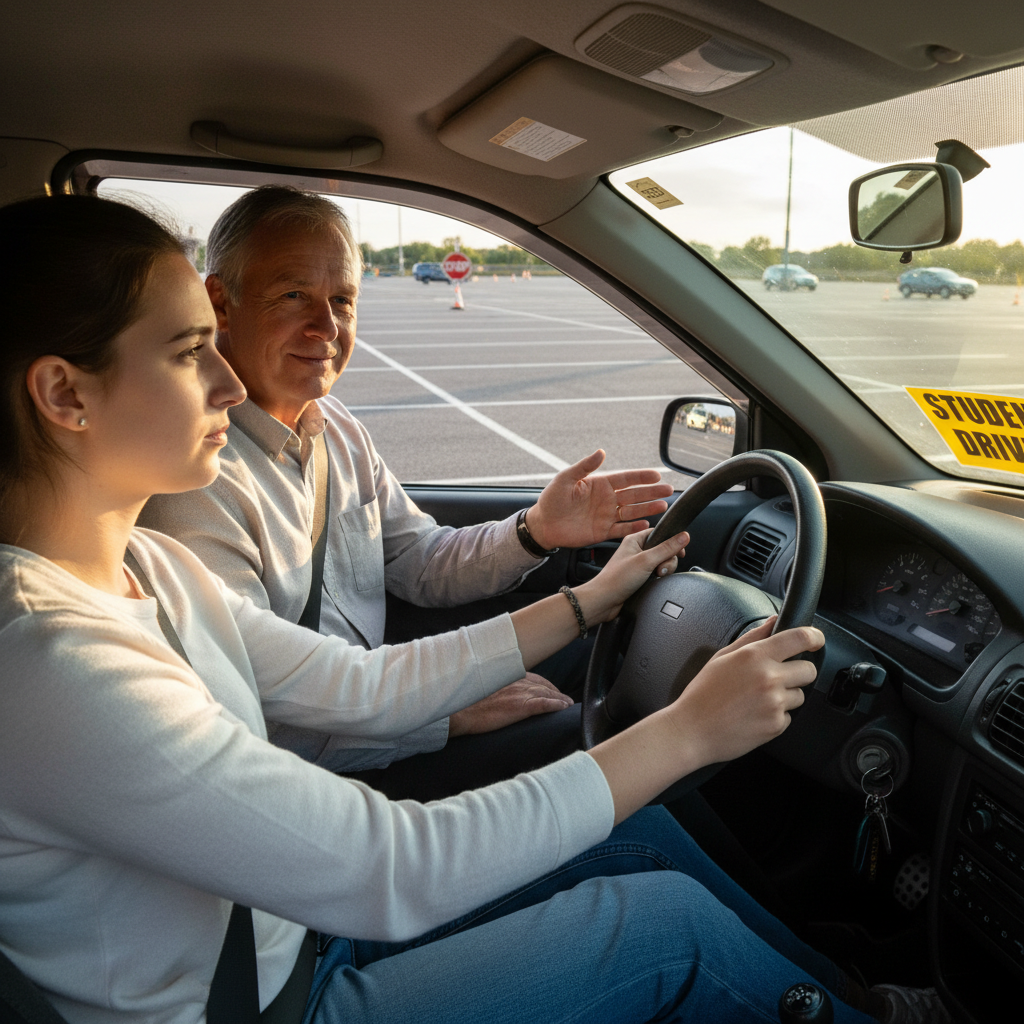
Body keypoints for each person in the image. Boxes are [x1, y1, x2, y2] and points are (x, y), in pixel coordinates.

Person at [0, 194, 950, 1024]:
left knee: (638, 838)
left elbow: (363, 685)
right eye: (188, 351)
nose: (227, 383)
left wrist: (588, 597)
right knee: (666, 931)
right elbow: (390, 868)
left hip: (289, 933)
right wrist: (690, 731)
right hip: (262, 999)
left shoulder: (152, 568)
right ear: (64, 395)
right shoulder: (45, 661)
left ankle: (840, 993)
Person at [139, 185, 675, 791]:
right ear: (223, 303)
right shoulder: (193, 479)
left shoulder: (337, 428)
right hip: (323, 775)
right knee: (597, 744)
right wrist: (443, 716)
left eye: (342, 299)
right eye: (294, 295)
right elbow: (250, 713)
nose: (326, 327)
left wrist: (535, 532)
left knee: (607, 667)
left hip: (383, 697)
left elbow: (418, 561)